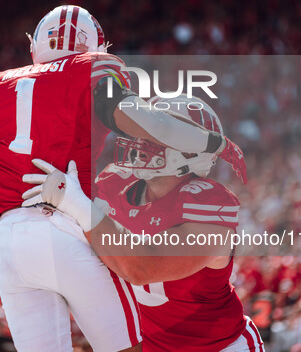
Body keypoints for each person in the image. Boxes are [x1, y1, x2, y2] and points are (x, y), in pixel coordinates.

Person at [0, 5, 246, 351]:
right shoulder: (93, 70)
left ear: (36, 46)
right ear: (95, 45)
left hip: (11, 242)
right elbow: (147, 122)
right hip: (67, 217)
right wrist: (211, 141)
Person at [22, 96, 264, 351]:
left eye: (154, 132)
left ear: (192, 151)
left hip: (218, 347)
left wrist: (79, 206)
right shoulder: (114, 182)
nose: (139, 139)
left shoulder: (208, 202)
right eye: (139, 130)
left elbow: (143, 268)